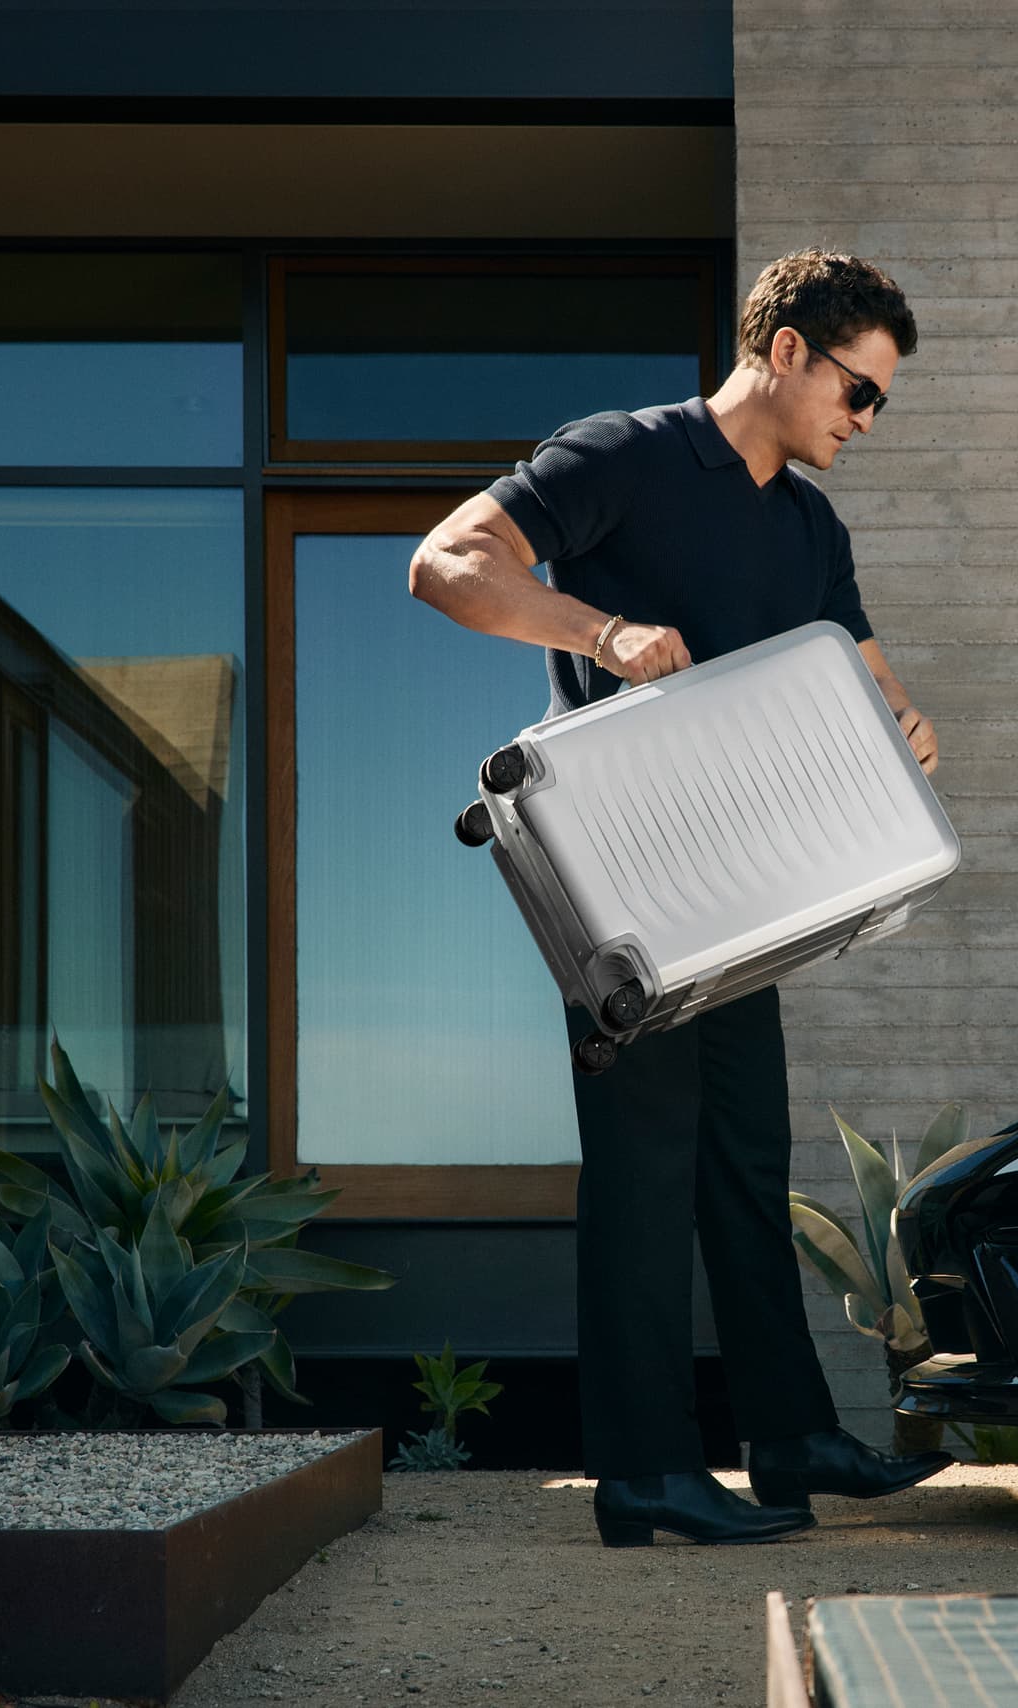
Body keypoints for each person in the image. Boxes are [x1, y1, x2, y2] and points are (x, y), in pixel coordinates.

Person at [408, 251, 952, 1546]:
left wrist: (905, 721)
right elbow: (445, 565)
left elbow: (859, 672)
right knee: (646, 1171)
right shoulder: (625, 459)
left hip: (741, 899)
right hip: (618, 887)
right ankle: (644, 1471)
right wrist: (597, 633)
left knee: (742, 1163)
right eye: (858, 393)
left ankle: (789, 1437)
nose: (863, 423)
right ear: (786, 353)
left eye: (879, 403)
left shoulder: (809, 526)